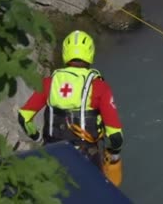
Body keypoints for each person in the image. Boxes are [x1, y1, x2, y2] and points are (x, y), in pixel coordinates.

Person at [17, 30, 124, 186]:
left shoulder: (49, 83)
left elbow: (24, 117)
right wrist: (114, 155)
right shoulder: (99, 87)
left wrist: (38, 139)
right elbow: (115, 136)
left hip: (53, 153)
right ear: (90, 54)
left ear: (65, 53)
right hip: (86, 156)